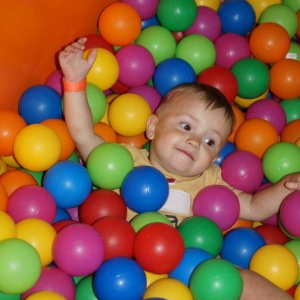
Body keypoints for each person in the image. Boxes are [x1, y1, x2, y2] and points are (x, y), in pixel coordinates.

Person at [59, 37, 298, 299]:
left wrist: (287, 186)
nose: (194, 142)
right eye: (186, 126)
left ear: (215, 157)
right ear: (152, 127)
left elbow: (253, 207)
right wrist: (74, 81)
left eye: (210, 141)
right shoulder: (125, 162)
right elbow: (83, 135)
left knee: (242, 279)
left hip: (192, 276)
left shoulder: (211, 183)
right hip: (123, 272)